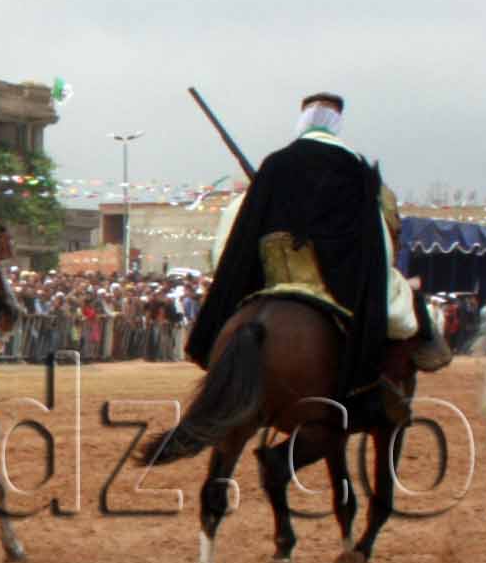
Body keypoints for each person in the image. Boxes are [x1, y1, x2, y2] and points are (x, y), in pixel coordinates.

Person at [187, 92, 440, 411]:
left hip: (275, 278)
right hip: (336, 281)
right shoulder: (353, 166)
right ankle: (376, 388)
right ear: (337, 122)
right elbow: (374, 234)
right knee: (400, 309)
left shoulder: (275, 164)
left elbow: (237, 234)